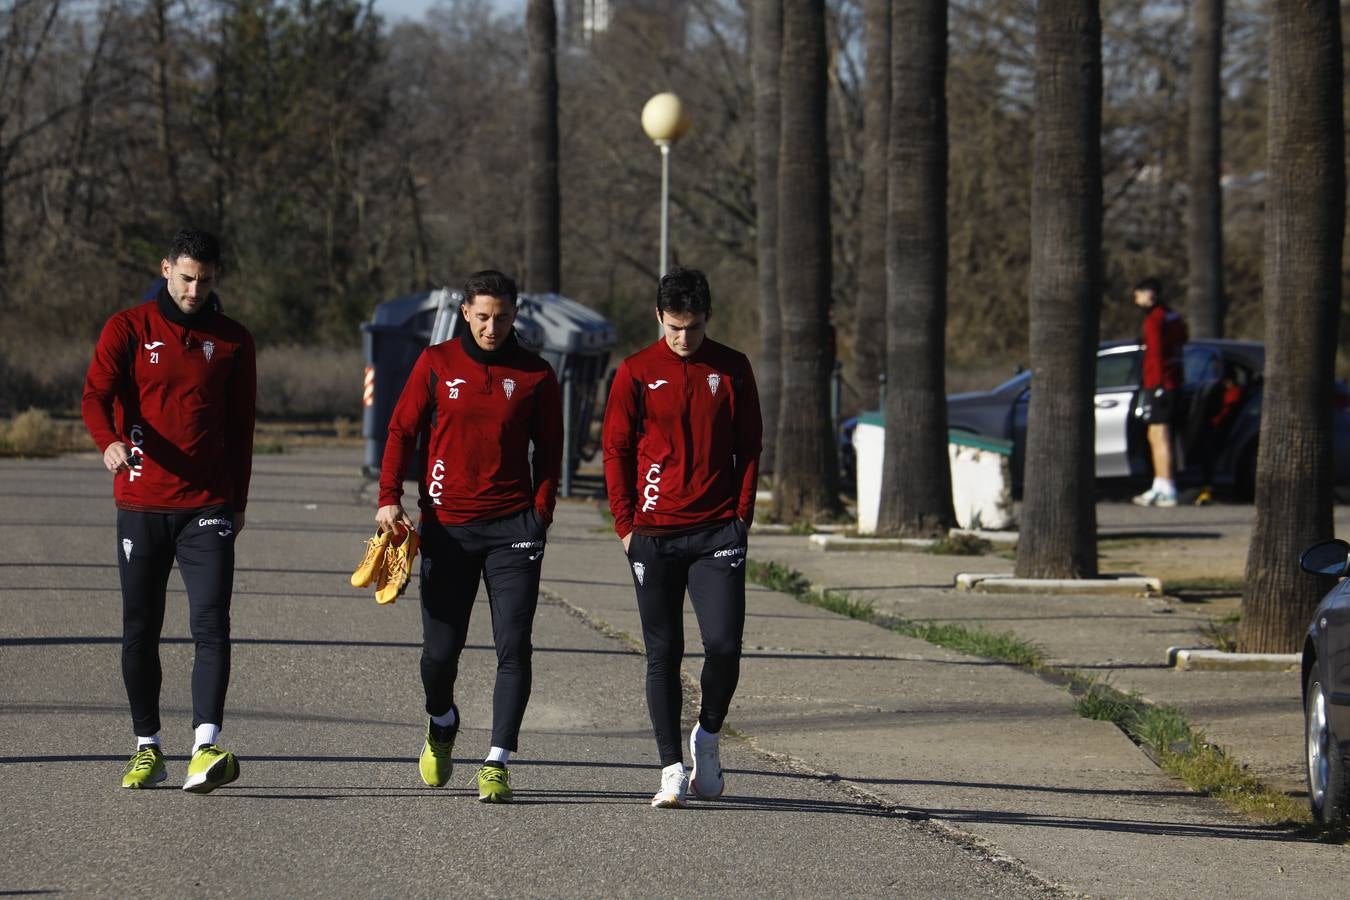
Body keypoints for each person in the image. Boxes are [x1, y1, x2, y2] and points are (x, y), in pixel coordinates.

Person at [376, 269, 562, 803]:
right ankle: (442, 720)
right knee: (439, 654)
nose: (492, 326)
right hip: (448, 529)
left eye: (502, 317)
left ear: (515, 315)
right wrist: (390, 496)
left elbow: (550, 451)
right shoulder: (436, 364)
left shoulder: (535, 375)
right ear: (465, 313)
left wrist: (540, 515)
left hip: (513, 531)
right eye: (482, 316)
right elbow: (400, 431)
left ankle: (498, 760)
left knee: (513, 646)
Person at [81, 229, 256, 793]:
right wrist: (107, 439)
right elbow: (93, 395)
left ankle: (204, 747)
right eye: (185, 278)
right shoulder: (127, 328)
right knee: (141, 630)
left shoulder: (232, 340)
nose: (194, 289)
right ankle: (147, 746)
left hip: (207, 505)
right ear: (165, 270)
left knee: (211, 624)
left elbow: (241, 429)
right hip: (140, 501)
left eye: (204, 280)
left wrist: (239, 501)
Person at [602, 266, 762, 809]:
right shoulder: (635, 372)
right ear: (658, 318)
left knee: (723, 644)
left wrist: (741, 518)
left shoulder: (733, 368)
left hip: (718, 530)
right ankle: (671, 765)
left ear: (707, 318)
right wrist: (626, 526)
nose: (683, 339)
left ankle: (708, 737)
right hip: (654, 533)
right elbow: (616, 451)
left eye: (692, 328)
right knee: (662, 653)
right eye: (673, 327)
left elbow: (750, 448)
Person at [1131, 277, 1188, 507]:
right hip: (1171, 382)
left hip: (1161, 384)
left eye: (1138, 295)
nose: (1136, 300)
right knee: (1155, 435)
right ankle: (1159, 482)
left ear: (1148, 294)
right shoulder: (1172, 317)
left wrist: (1153, 385)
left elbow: (1155, 354)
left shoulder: (1155, 320)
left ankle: (1166, 485)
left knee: (1159, 435)